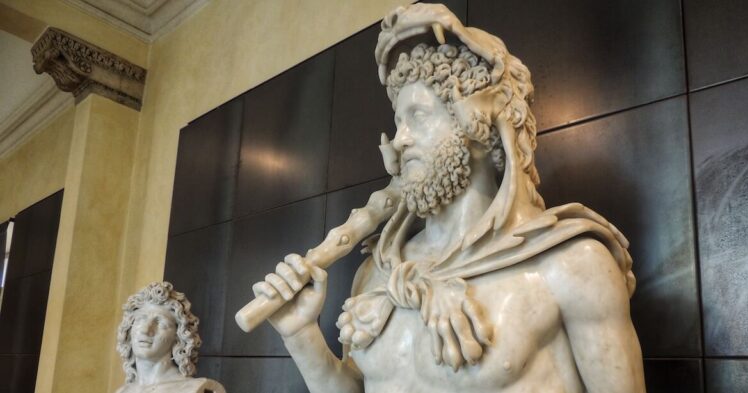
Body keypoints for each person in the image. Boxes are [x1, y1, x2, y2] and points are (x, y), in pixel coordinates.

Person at [250, 4, 645, 392]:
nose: (400, 140)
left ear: (479, 125)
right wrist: (301, 334)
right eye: (397, 123)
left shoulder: (571, 267)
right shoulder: (378, 273)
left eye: (417, 117)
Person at [115, 282, 225, 393]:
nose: (145, 330)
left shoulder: (197, 389)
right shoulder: (122, 391)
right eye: (140, 320)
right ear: (129, 330)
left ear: (178, 337)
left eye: (160, 323)